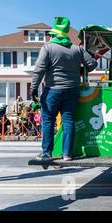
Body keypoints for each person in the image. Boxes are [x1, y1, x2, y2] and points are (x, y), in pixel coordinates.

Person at [31, 17, 97, 161]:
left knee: (48, 120)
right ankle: (67, 154)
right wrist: (77, 69)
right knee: (68, 121)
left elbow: (39, 71)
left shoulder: (48, 48)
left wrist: (33, 88)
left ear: (54, 34)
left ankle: (47, 153)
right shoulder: (77, 49)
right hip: (73, 90)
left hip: (52, 90)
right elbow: (92, 64)